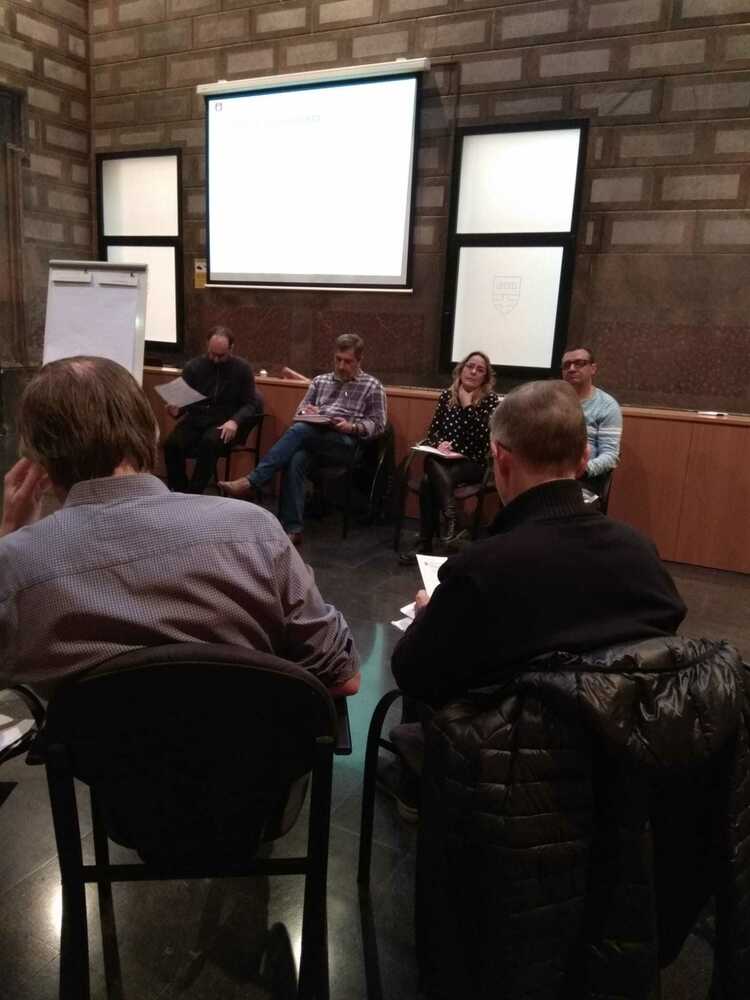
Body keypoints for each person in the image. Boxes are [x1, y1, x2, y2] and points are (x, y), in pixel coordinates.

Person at [0, 356, 360, 698]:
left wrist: (10, 536)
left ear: (36, 459)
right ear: (150, 430)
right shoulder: (255, 530)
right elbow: (342, 675)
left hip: (96, 746)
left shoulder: (14, 566)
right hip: (247, 740)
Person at [219, 333, 386, 545]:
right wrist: (309, 412)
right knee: (296, 457)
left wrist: (352, 426)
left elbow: (378, 424)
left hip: (346, 443)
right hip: (315, 437)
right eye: (338, 360)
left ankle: (253, 481)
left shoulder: (372, 386)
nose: (341, 366)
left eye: (348, 361)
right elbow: (299, 413)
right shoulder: (320, 381)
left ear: (359, 360)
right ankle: (293, 529)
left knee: (300, 431)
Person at [399, 351, 499, 564]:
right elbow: (433, 431)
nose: (473, 371)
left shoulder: (490, 400)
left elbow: (484, 438)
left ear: (485, 377)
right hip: (445, 461)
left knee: (429, 477)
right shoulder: (446, 396)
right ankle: (448, 524)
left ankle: (430, 538)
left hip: (473, 463)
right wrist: (439, 444)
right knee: (429, 473)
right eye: (470, 366)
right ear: (461, 369)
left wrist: (467, 404)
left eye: (480, 370)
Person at [162, 327, 262, 495]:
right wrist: (175, 409)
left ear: (231, 348)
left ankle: (194, 494)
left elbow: (251, 404)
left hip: (225, 421)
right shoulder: (194, 366)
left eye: (221, 356)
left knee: (209, 442)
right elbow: (183, 403)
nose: (215, 360)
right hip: (197, 418)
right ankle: (179, 491)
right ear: (207, 346)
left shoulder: (242, 369)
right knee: (171, 444)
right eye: (212, 354)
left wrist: (235, 421)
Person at [561, 345, 622, 496]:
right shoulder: (553, 400)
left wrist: (582, 470)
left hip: (584, 479)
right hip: (548, 474)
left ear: (593, 369)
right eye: (566, 365)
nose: (571, 368)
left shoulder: (607, 405)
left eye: (579, 363)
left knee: (551, 505)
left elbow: (610, 456)